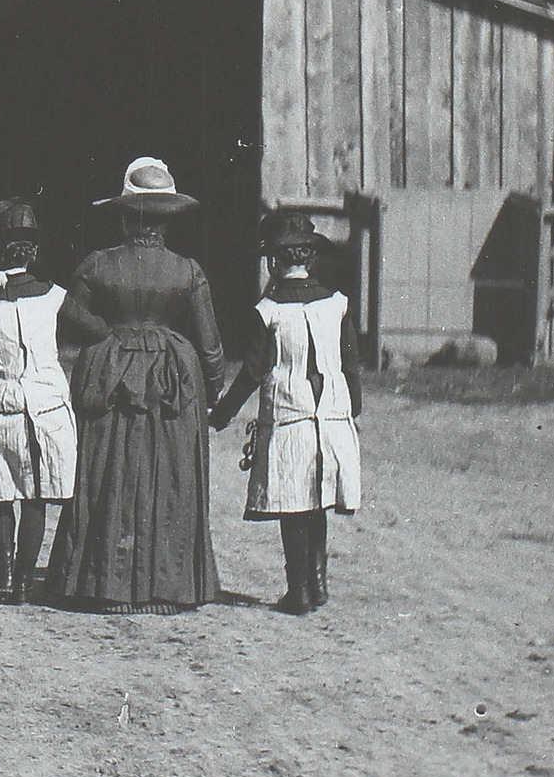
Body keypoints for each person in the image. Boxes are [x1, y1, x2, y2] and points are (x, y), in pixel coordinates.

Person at [43, 157, 224, 611]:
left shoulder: (99, 264)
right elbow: (210, 346)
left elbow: (67, 314)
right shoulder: (187, 271)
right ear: (168, 223)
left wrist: (105, 334)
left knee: (108, 469)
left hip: (110, 374)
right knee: (171, 474)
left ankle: (105, 585)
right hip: (172, 378)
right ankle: (167, 589)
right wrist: (212, 391)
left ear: (124, 219)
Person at [215, 209, 364, 613]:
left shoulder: (269, 311)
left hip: (289, 416)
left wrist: (223, 413)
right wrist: (354, 410)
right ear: (311, 258)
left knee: (293, 502)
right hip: (331, 415)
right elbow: (350, 363)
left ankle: (299, 591)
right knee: (317, 500)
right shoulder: (337, 305)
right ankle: (317, 585)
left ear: (274, 262)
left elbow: (252, 370)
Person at [0, 198, 76, 605]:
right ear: (35, 253)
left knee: (1, 493)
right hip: (46, 409)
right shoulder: (56, 298)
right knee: (37, 495)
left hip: (1, 408)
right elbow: (93, 327)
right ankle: (26, 581)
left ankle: (2, 576)